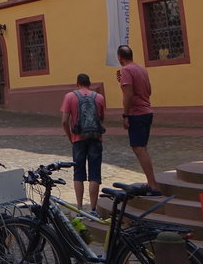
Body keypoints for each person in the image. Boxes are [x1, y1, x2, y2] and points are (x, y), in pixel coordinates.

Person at [60, 74, 106, 216]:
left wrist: (70, 136)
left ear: (77, 83)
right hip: (95, 138)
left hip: (78, 139)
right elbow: (101, 118)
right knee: (94, 174)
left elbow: (64, 121)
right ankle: (93, 209)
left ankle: (79, 208)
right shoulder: (99, 97)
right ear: (89, 83)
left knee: (78, 173)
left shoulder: (70, 97)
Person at [116, 45, 159, 193]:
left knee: (139, 149)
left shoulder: (126, 70)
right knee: (142, 148)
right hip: (147, 111)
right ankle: (150, 182)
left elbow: (128, 95)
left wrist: (125, 115)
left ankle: (153, 185)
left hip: (137, 113)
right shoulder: (141, 69)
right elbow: (149, 90)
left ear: (120, 57)